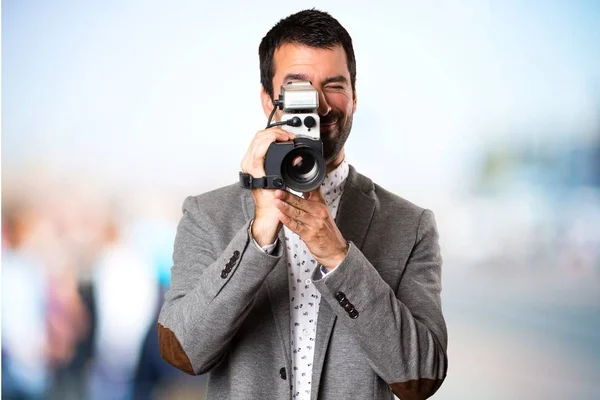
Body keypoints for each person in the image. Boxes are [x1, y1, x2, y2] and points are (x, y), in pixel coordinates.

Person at [157, 9, 447, 400]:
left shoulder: (409, 226)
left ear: (355, 98)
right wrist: (257, 237)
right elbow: (184, 352)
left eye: (334, 86)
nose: (320, 107)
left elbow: (421, 378)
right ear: (268, 101)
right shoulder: (207, 215)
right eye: (298, 87)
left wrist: (339, 256)